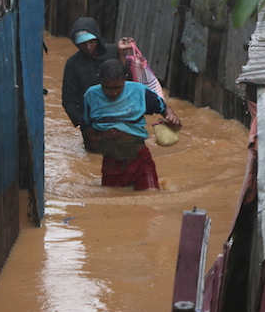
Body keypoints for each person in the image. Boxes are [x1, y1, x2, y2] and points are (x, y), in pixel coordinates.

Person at [82, 59, 182, 191]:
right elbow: (87, 129)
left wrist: (171, 116)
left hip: (140, 160)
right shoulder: (91, 96)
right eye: (107, 87)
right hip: (112, 162)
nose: (113, 92)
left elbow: (164, 107)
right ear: (99, 80)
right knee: (113, 197)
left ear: (125, 79)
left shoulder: (139, 92)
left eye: (117, 87)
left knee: (151, 194)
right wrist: (103, 135)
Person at [61, 17, 134, 148]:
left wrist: (121, 54)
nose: (88, 47)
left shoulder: (115, 51)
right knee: (95, 153)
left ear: (98, 38)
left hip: (119, 115)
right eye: (82, 44)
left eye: (92, 42)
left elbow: (129, 82)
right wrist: (84, 124)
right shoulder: (73, 64)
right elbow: (68, 100)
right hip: (92, 121)